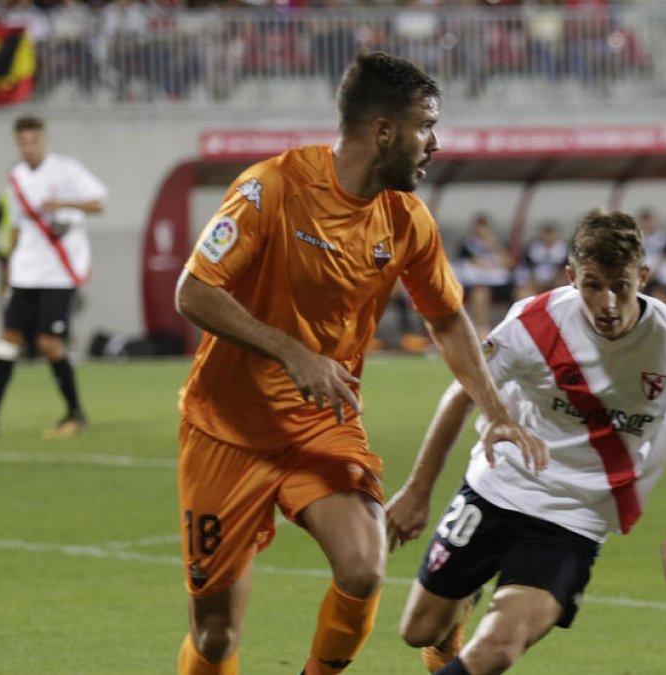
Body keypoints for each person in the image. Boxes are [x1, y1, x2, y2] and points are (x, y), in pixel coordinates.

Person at [171, 51, 547, 675]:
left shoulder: (405, 219)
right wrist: (293, 352)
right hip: (225, 429)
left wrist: (498, 413)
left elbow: (448, 318)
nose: (435, 143)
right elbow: (194, 291)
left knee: (363, 566)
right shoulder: (273, 188)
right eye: (425, 126)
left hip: (321, 419)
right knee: (215, 638)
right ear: (383, 131)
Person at [386, 209, 666, 675]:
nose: (607, 303)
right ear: (571, 277)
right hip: (495, 487)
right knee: (417, 631)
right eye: (592, 285)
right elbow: (463, 393)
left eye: (621, 285)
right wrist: (418, 491)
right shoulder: (535, 321)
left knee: (497, 649)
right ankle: (459, 607)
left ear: (643, 276)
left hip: (574, 516)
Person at [0, 115, 107, 441]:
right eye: (23, 142)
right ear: (18, 143)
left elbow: (98, 202)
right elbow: (17, 225)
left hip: (59, 272)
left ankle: (76, 413)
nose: (29, 148)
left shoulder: (65, 169)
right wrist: (8, 269)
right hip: (26, 270)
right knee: (7, 341)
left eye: (34, 141)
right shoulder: (15, 176)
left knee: (49, 344)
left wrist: (62, 203)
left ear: (44, 140)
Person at [456, 212, 514, 334]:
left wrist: (494, 246)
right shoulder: (467, 245)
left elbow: (508, 262)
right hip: (476, 282)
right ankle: (482, 331)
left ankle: (516, 331)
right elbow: (464, 264)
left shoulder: (498, 242)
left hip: (499, 282)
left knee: (523, 292)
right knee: (480, 293)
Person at [636, 207, 666, 305]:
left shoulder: (664, 237)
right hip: (647, 272)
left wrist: (654, 272)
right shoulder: (641, 238)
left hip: (661, 273)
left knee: (656, 290)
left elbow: (664, 257)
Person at [513, 221, 568, 299]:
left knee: (563, 285)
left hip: (556, 281)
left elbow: (566, 268)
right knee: (522, 292)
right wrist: (532, 279)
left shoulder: (565, 249)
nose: (548, 238)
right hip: (536, 281)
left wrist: (555, 280)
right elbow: (524, 268)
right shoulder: (531, 248)